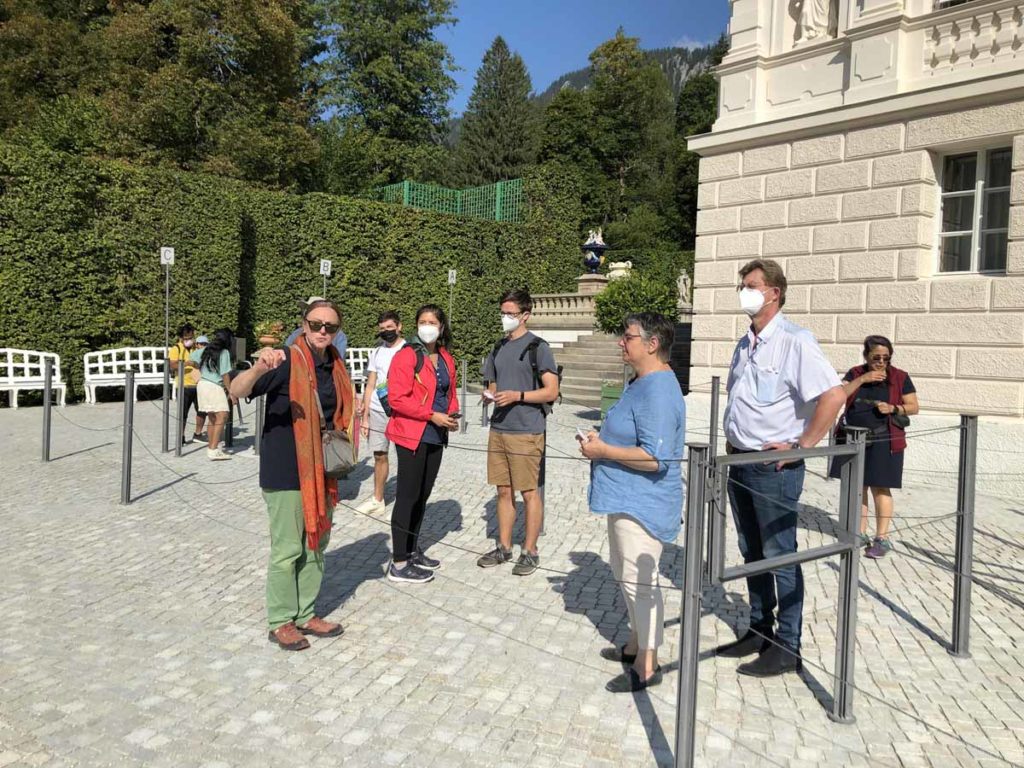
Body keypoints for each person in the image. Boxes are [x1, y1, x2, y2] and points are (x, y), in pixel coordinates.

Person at [716, 258, 845, 677]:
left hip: (774, 467)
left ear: (774, 292)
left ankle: (788, 644)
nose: (744, 291)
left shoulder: (795, 340)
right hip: (741, 458)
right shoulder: (745, 342)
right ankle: (759, 627)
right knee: (751, 550)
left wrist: (802, 445)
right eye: (742, 284)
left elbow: (832, 394)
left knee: (779, 553)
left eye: (751, 285)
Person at [229, 299, 353, 651]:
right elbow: (237, 391)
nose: (322, 332)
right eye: (316, 325)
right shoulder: (286, 359)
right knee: (287, 549)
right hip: (286, 470)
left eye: (330, 327)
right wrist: (257, 368)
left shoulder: (335, 364)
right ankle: (280, 620)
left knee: (315, 544)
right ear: (303, 324)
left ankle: (306, 613)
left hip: (322, 471)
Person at [578, 313, 686, 693]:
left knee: (642, 578)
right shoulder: (640, 382)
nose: (621, 343)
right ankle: (636, 643)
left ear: (652, 344)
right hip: (625, 495)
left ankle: (648, 662)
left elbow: (655, 457)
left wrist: (603, 449)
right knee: (625, 571)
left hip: (644, 500)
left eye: (628, 338)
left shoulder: (658, 389)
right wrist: (601, 438)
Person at [476, 289, 560, 577]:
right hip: (499, 428)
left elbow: (552, 390)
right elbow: (495, 385)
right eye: (503, 312)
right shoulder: (497, 347)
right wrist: (490, 395)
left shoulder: (539, 347)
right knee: (502, 491)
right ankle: (504, 546)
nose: (505, 318)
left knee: (529, 493)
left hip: (527, 430)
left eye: (511, 313)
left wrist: (518, 396)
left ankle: (530, 550)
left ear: (525, 315)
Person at [383, 305, 460, 584]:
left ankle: (412, 550)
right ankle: (399, 563)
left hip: (436, 434)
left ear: (441, 327)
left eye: (432, 322)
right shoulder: (407, 356)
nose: (427, 326)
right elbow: (397, 399)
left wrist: (452, 413)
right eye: (422, 321)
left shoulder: (446, 358)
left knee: (422, 496)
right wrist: (431, 415)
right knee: (407, 496)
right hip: (411, 433)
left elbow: (449, 392)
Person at [829, 335, 919, 559]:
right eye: (876, 357)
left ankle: (882, 537)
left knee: (881, 488)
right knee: (858, 486)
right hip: (853, 439)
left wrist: (894, 408)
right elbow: (839, 396)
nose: (881, 362)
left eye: (885, 358)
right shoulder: (856, 373)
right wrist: (863, 379)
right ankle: (859, 534)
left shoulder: (899, 377)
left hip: (884, 440)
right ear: (866, 356)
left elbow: (914, 406)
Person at [355, 311, 406, 516]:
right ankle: (378, 498)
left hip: (401, 411)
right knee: (379, 454)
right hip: (378, 409)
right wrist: (365, 417)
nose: (386, 332)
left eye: (390, 328)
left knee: (405, 457)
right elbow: (370, 385)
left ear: (399, 326)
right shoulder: (376, 353)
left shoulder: (408, 350)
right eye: (382, 329)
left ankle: (405, 498)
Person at [190, 328, 236, 461]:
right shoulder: (224, 352)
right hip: (214, 386)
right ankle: (214, 449)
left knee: (212, 417)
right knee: (222, 415)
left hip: (202, 384)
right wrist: (231, 391)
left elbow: (192, 358)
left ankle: (211, 447)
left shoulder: (206, 349)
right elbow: (225, 374)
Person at [168, 323, 207, 444]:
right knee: (182, 413)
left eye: (191, 337)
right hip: (184, 385)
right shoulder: (176, 348)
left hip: (198, 384)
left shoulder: (197, 348)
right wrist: (187, 363)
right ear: (181, 338)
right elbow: (172, 365)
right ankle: (181, 436)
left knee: (202, 410)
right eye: (186, 338)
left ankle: (198, 434)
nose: (189, 340)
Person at [286, 296, 348, 362]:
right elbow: (287, 355)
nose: (323, 331)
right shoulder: (296, 333)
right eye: (305, 309)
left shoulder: (338, 335)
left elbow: (339, 359)